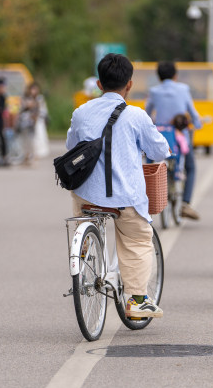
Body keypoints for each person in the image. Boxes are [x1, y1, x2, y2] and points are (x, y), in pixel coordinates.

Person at [66, 53, 169, 318]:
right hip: (125, 198)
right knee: (137, 240)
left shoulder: (81, 112)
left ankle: (85, 248)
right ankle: (136, 300)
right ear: (130, 85)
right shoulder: (137, 116)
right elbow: (159, 150)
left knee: (82, 209)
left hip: (87, 195)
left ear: (99, 85)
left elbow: (70, 148)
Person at [144, 61, 202, 220]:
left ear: (158, 76)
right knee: (190, 167)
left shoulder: (154, 91)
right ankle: (185, 203)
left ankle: (149, 200)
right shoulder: (183, 89)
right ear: (175, 75)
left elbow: (146, 112)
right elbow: (192, 111)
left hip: (160, 137)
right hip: (179, 137)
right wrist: (197, 124)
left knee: (150, 164)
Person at [17, 82, 47, 166]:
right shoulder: (25, 98)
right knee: (26, 140)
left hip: (37, 121)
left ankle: (35, 156)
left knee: (36, 139)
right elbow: (21, 109)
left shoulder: (40, 98)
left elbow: (43, 111)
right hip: (27, 121)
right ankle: (26, 156)